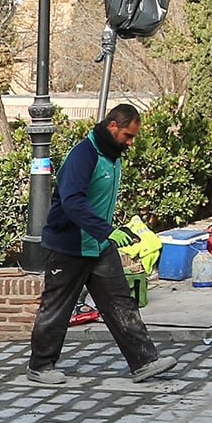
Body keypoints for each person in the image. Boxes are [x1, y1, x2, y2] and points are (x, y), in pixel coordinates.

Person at [26, 102, 174, 384]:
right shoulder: (84, 155)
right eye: (128, 136)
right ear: (112, 126)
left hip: (99, 245)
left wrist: (109, 232)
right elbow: (72, 202)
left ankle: (144, 361)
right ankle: (40, 366)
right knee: (57, 307)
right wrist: (106, 231)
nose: (130, 143)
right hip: (68, 246)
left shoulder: (112, 156)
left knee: (121, 303)